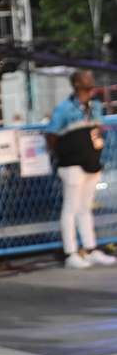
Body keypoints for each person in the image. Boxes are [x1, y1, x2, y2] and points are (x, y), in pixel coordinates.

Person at [48, 70, 115, 269]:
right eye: (87, 78)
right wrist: (64, 154)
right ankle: (71, 253)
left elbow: (96, 131)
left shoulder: (94, 107)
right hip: (72, 165)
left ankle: (90, 249)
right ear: (76, 83)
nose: (91, 81)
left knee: (85, 208)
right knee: (71, 209)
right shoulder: (65, 108)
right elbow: (51, 134)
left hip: (91, 163)